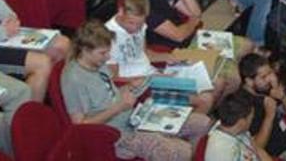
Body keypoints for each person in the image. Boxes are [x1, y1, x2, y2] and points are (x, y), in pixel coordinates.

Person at [62, 20, 212, 161]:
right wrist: (118, 107)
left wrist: (132, 86)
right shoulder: (74, 79)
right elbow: (80, 126)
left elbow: (109, 93)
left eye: (108, 52)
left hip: (134, 117)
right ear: (85, 50)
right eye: (103, 53)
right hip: (118, 136)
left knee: (203, 123)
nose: (107, 57)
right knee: (182, 151)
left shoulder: (96, 62)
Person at [105, 0, 217, 113]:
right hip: (140, 88)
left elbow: (145, 54)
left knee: (212, 83)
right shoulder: (108, 37)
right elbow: (113, 78)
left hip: (153, 74)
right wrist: (147, 78)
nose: (136, 28)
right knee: (205, 99)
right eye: (132, 23)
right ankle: (187, 127)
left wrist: (172, 58)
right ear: (120, 11)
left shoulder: (140, 25)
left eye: (140, 24)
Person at [205, 94, 273, 161]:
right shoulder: (219, 153)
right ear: (241, 122)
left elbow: (256, 148)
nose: (251, 121)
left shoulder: (234, 128)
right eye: (251, 118)